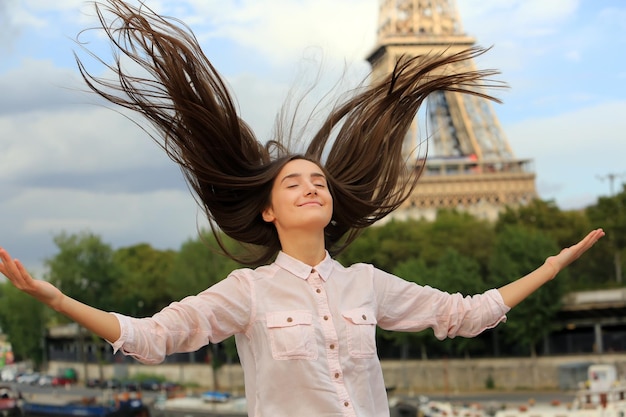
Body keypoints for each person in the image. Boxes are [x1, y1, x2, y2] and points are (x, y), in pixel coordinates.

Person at [0, 1, 606, 416]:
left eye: (318, 180)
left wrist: (551, 266)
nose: (312, 187)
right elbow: (152, 337)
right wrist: (55, 299)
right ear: (268, 211)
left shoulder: (368, 283)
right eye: (293, 184)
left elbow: (467, 314)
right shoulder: (248, 292)